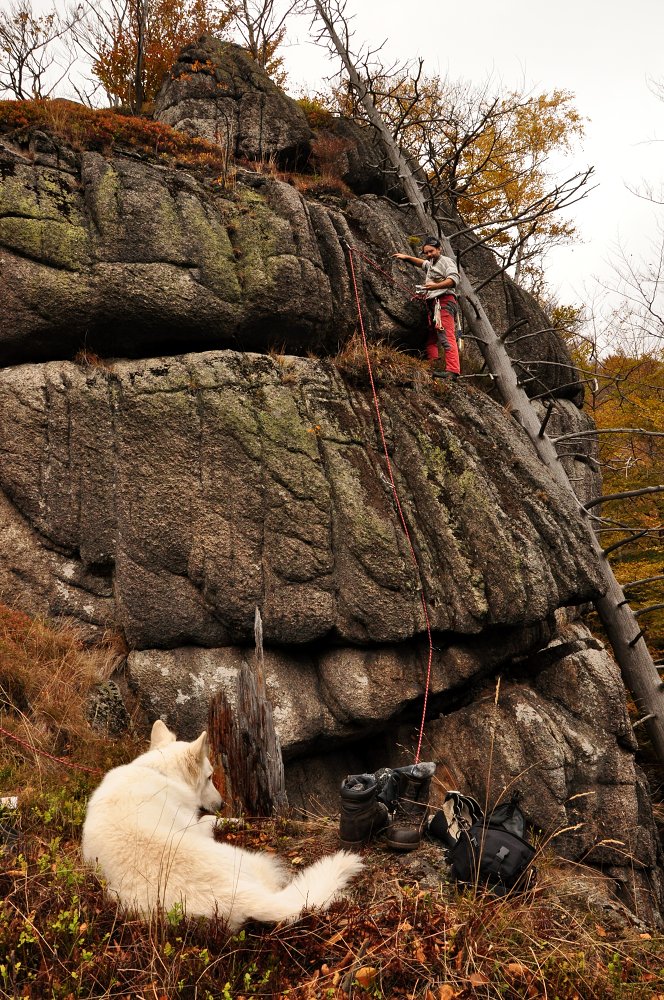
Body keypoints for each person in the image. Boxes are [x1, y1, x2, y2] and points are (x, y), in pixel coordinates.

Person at [393, 237, 461, 378]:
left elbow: (454, 280)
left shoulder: (445, 261)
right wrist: (406, 258)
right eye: (426, 252)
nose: (429, 254)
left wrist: (434, 286)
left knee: (446, 335)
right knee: (431, 337)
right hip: (434, 304)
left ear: (439, 249)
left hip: (444, 301)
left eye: (431, 251)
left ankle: (453, 371)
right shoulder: (431, 263)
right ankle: (432, 364)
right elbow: (422, 263)